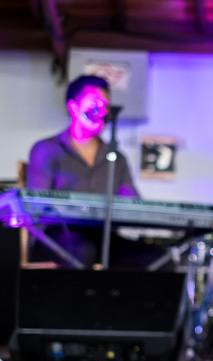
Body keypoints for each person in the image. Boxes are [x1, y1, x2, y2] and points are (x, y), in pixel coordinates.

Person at [26, 75, 140, 267]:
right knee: (83, 250)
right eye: (95, 104)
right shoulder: (47, 149)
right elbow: (36, 207)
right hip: (60, 237)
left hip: (105, 237)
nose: (101, 111)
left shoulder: (117, 158)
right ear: (73, 107)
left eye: (105, 106)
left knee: (153, 257)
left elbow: (134, 203)